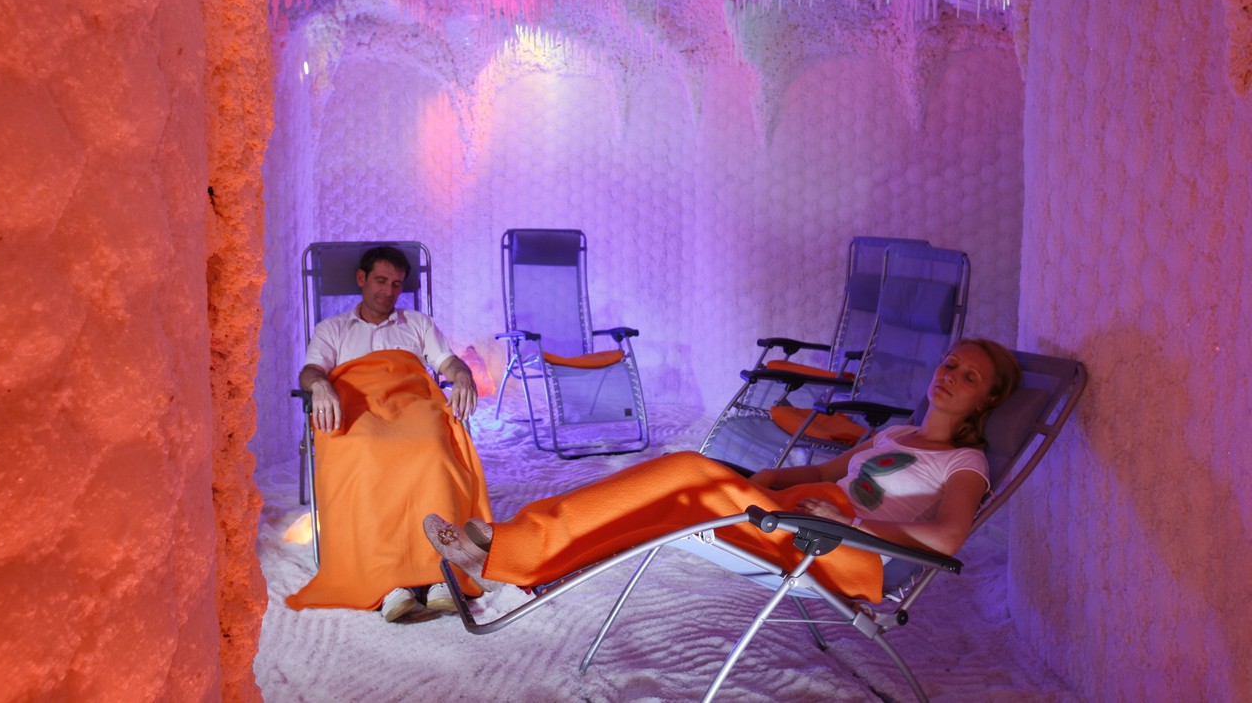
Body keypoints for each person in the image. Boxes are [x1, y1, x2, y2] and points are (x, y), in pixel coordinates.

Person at [424, 338, 1019, 603]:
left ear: (987, 400)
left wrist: (853, 529)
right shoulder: (895, 434)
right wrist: (760, 482)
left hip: (843, 551)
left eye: (970, 377)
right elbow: (831, 470)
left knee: (685, 473)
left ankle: (513, 551)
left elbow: (948, 538)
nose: (951, 376)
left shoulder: (966, 461)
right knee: (683, 490)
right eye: (951, 364)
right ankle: (519, 556)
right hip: (804, 519)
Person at [287, 245, 492, 621]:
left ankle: (439, 573)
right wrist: (320, 385)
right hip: (358, 410)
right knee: (367, 453)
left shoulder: (417, 323)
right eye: (381, 280)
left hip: (412, 405)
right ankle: (388, 581)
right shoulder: (332, 329)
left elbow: (448, 362)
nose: (389, 291)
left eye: (396, 284)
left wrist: (462, 375)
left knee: (433, 447)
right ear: (361, 279)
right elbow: (311, 370)